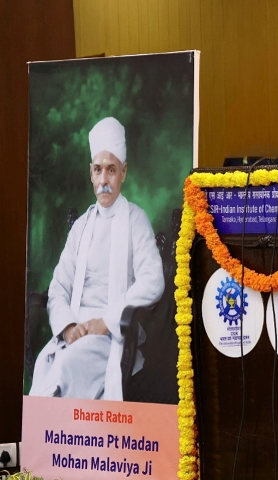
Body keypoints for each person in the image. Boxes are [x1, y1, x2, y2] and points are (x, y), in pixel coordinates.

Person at [29, 117, 165, 401]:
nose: (104, 180)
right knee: (46, 365)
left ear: (124, 173)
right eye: (98, 170)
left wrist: (106, 321)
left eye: (111, 170)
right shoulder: (81, 226)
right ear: (90, 173)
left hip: (111, 337)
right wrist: (67, 328)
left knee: (65, 368)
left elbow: (153, 280)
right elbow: (59, 287)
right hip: (75, 334)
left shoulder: (135, 220)